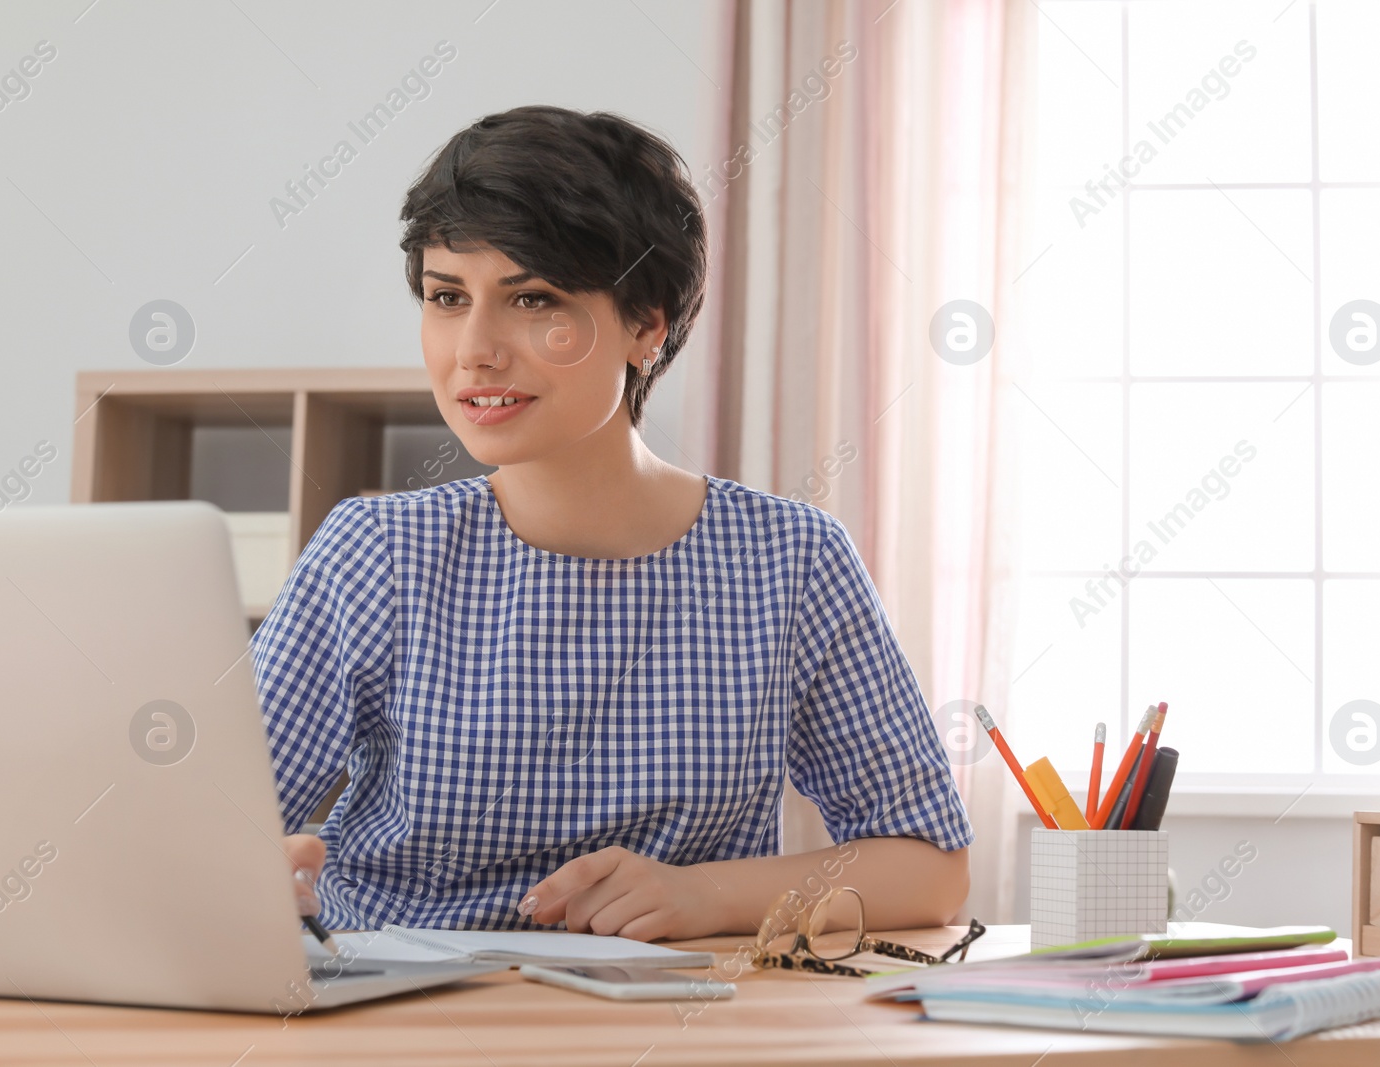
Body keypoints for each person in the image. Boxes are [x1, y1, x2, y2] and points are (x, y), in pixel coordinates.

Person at [256, 105, 972, 941]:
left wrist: (706, 896)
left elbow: (928, 867)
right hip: (401, 1017)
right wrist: (256, 865)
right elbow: (198, 835)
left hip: (674, 1021)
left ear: (646, 326)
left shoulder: (791, 559)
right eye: (447, 297)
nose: (474, 350)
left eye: (532, 299)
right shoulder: (373, 554)